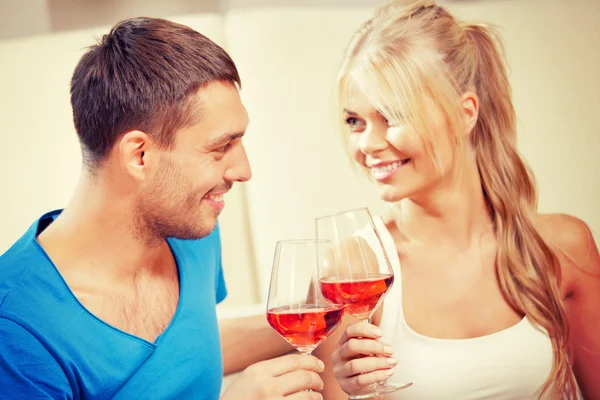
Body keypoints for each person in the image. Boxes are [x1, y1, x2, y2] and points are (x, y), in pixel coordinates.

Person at [0, 17, 324, 400]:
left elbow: (188, 346)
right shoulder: (17, 331)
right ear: (140, 155)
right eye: (221, 147)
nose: (244, 170)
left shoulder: (193, 229)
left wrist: (322, 318)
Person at [312, 1, 600, 399]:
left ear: (466, 114)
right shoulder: (354, 270)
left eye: (393, 115)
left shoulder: (565, 247)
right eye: (354, 121)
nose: (367, 144)